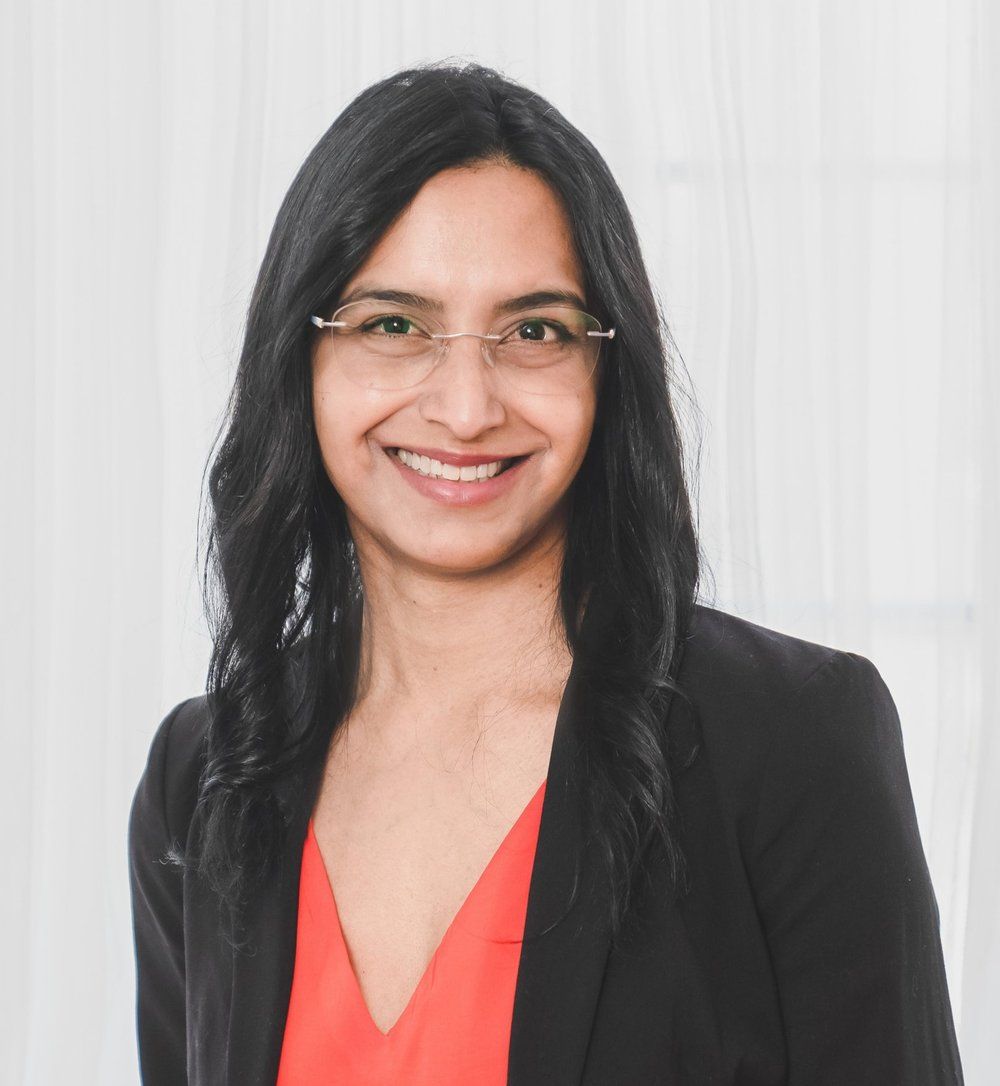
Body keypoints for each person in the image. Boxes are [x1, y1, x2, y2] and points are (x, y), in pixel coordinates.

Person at [127, 59, 964, 1085]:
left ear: (607, 372)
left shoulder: (789, 742)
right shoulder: (203, 773)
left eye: (535, 332)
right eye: (394, 325)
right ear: (299, 360)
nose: (468, 407)